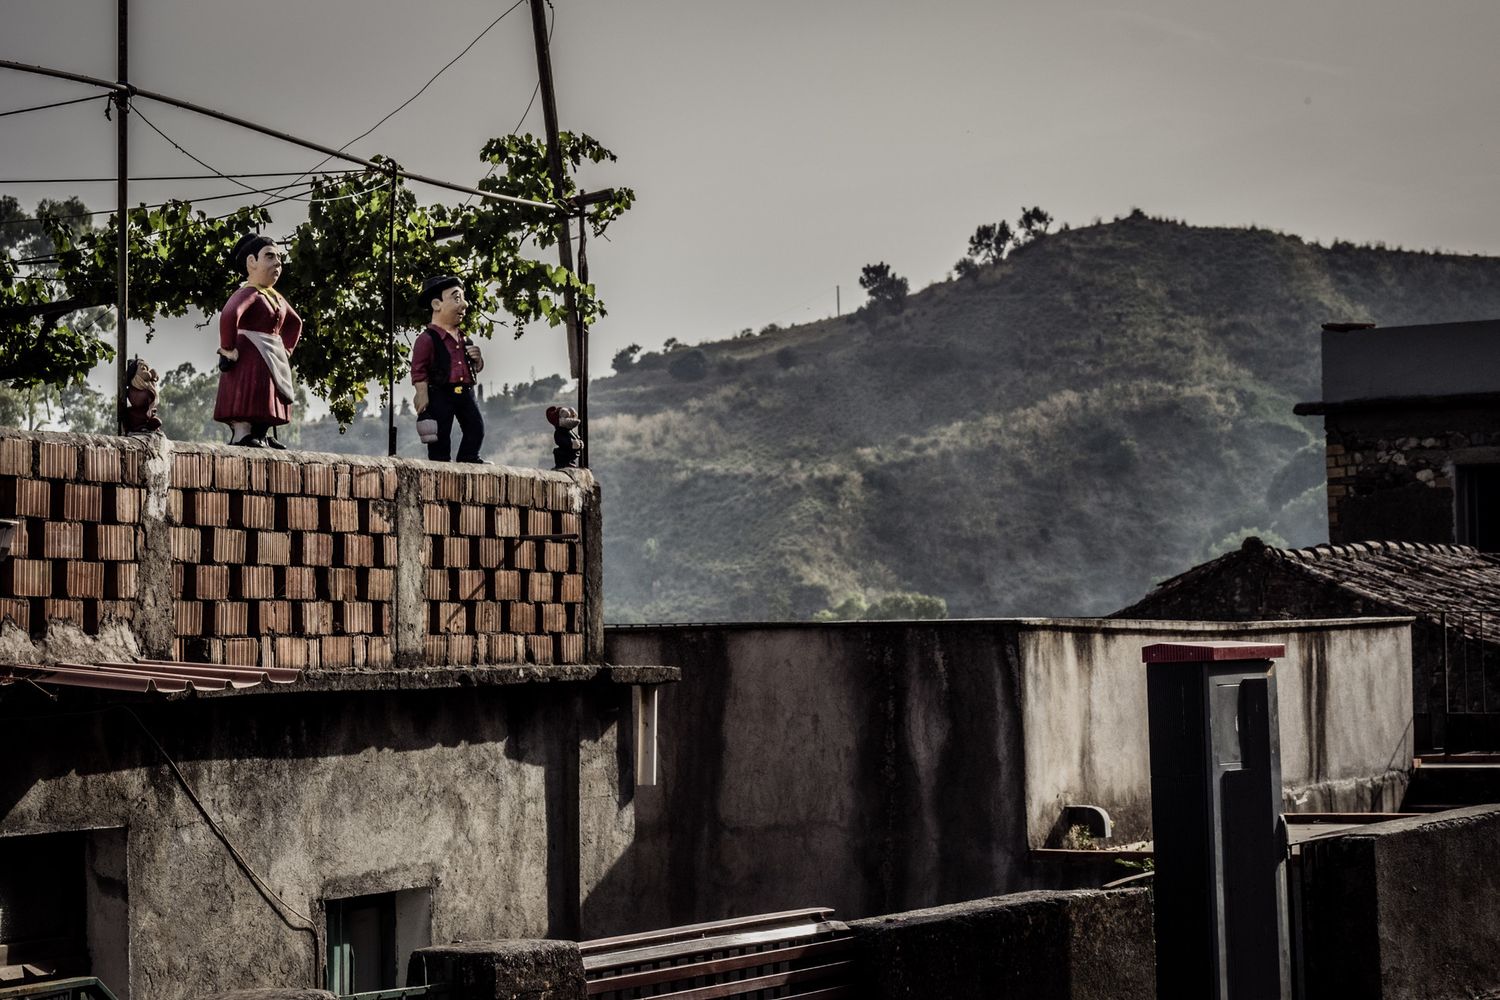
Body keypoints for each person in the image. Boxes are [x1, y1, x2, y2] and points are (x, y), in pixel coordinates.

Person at [214, 233, 302, 448]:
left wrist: (286, 349)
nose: (277, 263)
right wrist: (228, 349)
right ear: (252, 262)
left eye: (279, 258)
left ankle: (262, 434)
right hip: (248, 352)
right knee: (249, 393)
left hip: (272, 353)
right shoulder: (249, 292)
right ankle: (242, 433)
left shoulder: (275, 297)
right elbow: (229, 314)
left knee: (267, 394)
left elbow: (295, 322)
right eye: (269, 257)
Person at [410, 275, 486, 462]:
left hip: (465, 390)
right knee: (440, 431)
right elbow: (419, 370)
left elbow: (474, 367)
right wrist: (422, 393)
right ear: (437, 304)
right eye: (457, 298)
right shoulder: (427, 339)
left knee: (475, 426)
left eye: (463, 298)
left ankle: (469, 457)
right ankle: (440, 461)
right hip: (441, 391)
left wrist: (478, 360)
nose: (464, 305)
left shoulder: (464, 338)